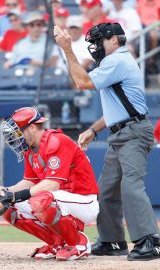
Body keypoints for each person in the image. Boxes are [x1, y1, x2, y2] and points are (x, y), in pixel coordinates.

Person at [54, 22, 160, 261]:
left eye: (99, 41)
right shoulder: (114, 62)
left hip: (133, 132)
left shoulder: (117, 60)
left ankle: (150, 241)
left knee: (131, 185)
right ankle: (112, 241)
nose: (95, 46)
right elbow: (118, 108)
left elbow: (82, 83)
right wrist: (93, 129)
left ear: (114, 40)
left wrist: (67, 49)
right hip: (121, 131)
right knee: (106, 190)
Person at [0, 107, 99, 261]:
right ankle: (56, 243)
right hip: (61, 200)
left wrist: (16, 195)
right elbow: (29, 182)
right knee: (7, 205)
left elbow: (52, 184)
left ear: (32, 128)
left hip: (84, 200)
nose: (15, 137)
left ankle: (78, 242)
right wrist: (6, 191)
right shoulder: (30, 151)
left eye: (18, 132)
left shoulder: (56, 141)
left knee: (41, 199)